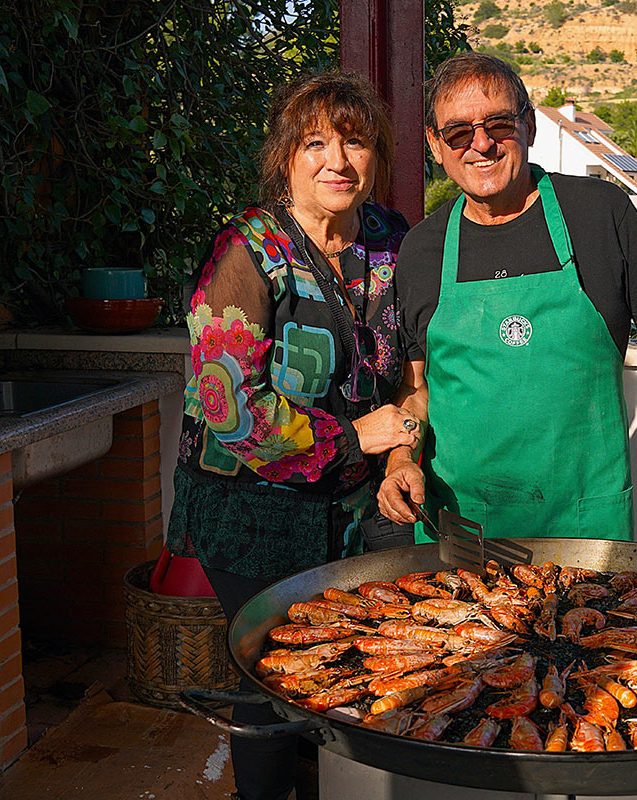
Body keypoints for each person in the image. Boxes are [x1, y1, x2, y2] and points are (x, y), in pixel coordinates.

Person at [165, 72, 418, 800]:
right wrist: (359, 439)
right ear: (286, 158)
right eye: (316, 144)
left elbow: (414, 368)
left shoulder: (391, 241)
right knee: (274, 679)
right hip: (252, 510)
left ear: (377, 158)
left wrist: (401, 451)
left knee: (351, 666)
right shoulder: (246, 251)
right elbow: (232, 410)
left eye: (356, 143)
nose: (338, 161)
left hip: (356, 504)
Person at [377, 53, 637, 549]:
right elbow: (417, 385)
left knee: (597, 605)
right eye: (459, 132)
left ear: (528, 125)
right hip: (462, 524)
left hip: (585, 521)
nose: (481, 144)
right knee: (467, 607)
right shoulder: (423, 248)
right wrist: (400, 459)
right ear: (435, 144)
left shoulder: (599, 215)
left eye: (498, 124)